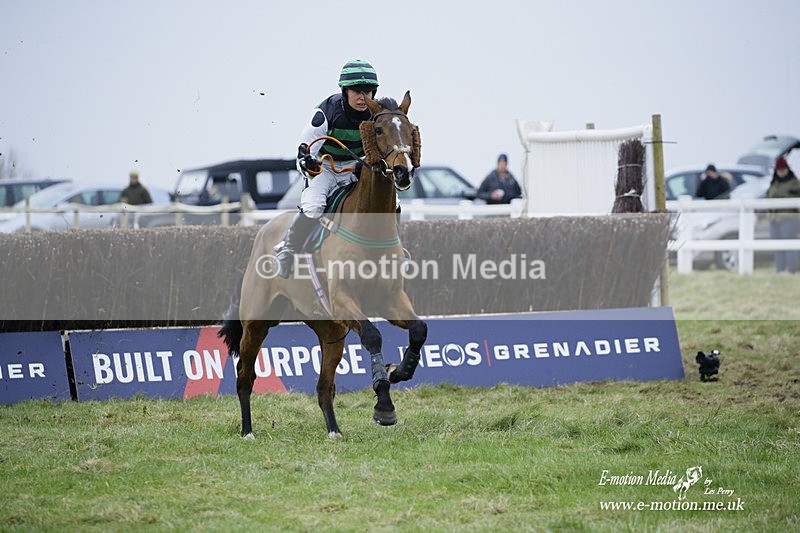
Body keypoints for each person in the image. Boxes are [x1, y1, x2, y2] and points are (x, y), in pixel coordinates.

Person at [275, 59, 380, 278]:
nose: (363, 98)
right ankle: (289, 247)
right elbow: (304, 151)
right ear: (344, 91)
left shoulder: (376, 115)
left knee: (391, 202)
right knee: (313, 207)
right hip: (326, 166)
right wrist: (309, 165)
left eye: (369, 92)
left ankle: (396, 247)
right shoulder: (324, 113)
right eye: (357, 92)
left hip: (353, 167)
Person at [765, 157, 800, 274]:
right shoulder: (774, 182)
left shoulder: (794, 183)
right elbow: (768, 196)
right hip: (774, 219)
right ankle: (780, 270)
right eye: (779, 169)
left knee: (789, 244)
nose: (781, 172)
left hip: (789, 218)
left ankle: (792, 270)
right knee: (777, 246)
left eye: (783, 169)